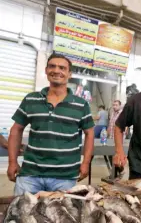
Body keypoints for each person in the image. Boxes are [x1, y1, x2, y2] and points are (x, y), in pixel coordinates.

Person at [8, 53, 94, 195]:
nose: (56, 71)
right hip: (30, 174)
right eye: (52, 66)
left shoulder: (81, 104)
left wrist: (85, 163)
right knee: (20, 214)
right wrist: (12, 161)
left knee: (61, 216)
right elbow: (16, 130)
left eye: (62, 68)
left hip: (65, 177)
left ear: (69, 74)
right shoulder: (31, 99)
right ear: (46, 70)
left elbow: (89, 133)